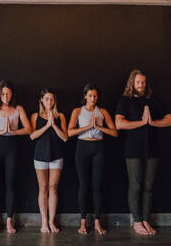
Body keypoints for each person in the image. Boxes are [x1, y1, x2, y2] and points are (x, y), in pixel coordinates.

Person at [115, 69, 171, 236]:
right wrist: (141, 122)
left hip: (152, 149)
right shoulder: (125, 100)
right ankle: (137, 221)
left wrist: (153, 122)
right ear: (132, 83)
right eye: (138, 82)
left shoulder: (153, 99)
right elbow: (119, 124)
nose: (141, 85)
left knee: (148, 187)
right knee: (136, 186)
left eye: (143, 82)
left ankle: (146, 220)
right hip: (133, 150)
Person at [68, 83, 117, 235]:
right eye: (90, 96)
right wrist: (88, 126)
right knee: (83, 184)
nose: (93, 98)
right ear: (85, 96)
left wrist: (99, 127)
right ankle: (83, 222)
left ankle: (97, 222)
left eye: (95, 96)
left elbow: (114, 132)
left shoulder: (102, 111)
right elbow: (69, 132)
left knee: (97, 186)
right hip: (82, 148)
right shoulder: (77, 111)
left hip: (98, 149)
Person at [0, 80, 32, 234]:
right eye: (3, 93)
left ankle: (9, 222)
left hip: (12, 147)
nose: (5, 96)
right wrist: (1, 131)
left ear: (12, 94)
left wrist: (13, 132)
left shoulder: (18, 108)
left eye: (8, 93)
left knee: (11, 184)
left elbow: (29, 129)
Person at [29, 88, 68, 233]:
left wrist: (54, 124)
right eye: (46, 99)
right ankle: (44, 222)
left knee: (53, 188)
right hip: (40, 157)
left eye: (51, 99)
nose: (49, 102)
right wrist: (47, 125)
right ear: (41, 100)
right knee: (43, 188)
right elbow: (32, 136)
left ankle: (52, 221)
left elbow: (65, 137)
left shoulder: (61, 116)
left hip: (56, 156)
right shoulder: (35, 116)